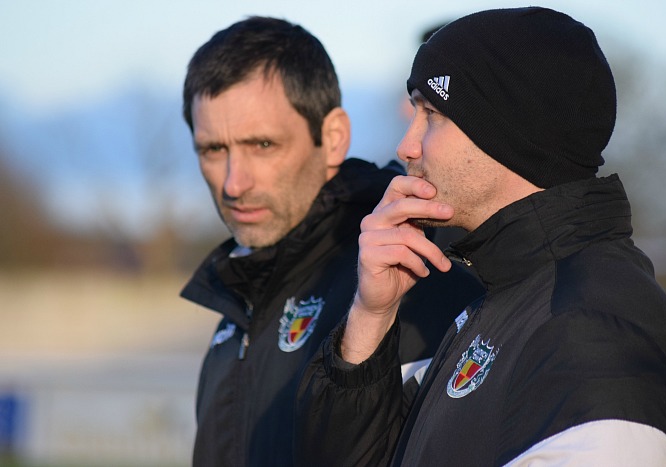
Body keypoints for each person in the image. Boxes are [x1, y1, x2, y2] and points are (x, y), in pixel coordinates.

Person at [296, 7, 666, 466]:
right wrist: (372, 316)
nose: (406, 146)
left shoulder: (595, 328)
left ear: (508, 130)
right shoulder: (499, 298)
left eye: (431, 114)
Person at [179, 16, 484, 466]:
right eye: (213, 150)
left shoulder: (414, 279)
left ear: (334, 137)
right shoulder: (238, 298)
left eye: (262, 145)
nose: (233, 183)